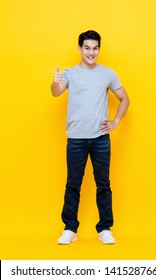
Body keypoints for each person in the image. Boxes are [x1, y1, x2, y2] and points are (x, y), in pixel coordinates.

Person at [51, 30, 130, 245]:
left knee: (103, 183)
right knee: (73, 184)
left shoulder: (107, 73)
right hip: (75, 139)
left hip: (100, 139)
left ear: (99, 49)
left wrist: (115, 122)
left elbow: (124, 98)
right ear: (80, 48)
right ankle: (70, 229)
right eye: (87, 48)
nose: (91, 52)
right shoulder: (69, 73)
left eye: (95, 48)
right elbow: (56, 92)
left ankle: (105, 228)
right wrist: (56, 82)